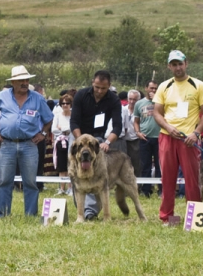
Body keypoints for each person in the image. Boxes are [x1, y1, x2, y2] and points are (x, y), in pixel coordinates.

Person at [153, 50, 203, 225]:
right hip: (167, 138)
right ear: (169, 66)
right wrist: (168, 127)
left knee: (192, 180)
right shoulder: (164, 86)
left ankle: (195, 219)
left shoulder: (198, 85)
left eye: (180, 64)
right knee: (168, 180)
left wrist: (196, 133)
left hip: (189, 140)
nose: (178, 67)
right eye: (174, 64)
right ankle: (167, 218)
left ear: (186, 64)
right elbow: (156, 112)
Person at [0, 66, 53, 217]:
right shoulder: (1, 96)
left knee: (30, 182)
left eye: (27, 80)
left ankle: (30, 214)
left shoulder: (38, 98)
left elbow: (49, 119)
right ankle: (3, 214)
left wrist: (43, 133)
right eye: (21, 80)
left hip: (29, 144)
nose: (25, 83)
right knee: (5, 181)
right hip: (7, 144)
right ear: (13, 82)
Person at [70, 70, 122, 220]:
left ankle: (90, 212)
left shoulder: (113, 100)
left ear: (109, 86)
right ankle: (82, 212)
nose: (99, 91)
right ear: (93, 82)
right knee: (76, 175)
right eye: (97, 87)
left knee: (96, 174)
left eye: (103, 88)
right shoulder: (81, 95)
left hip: (98, 140)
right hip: (78, 136)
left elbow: (117, 127)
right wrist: (81, 142)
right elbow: (73, 121)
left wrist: (107, 142)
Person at [133, 80, 162, 198]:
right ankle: (146, 190)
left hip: (159, 137)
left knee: (160, 166)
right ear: (146, 88)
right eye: (151, 88)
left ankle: (161, 190)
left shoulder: (161, 102)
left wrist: (156, 99)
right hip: (144, 138)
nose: (153, 90)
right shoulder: (139, 104)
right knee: (146, 165)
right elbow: (136, 121)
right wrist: (138, 132)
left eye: (156, 88)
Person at [51, 94, 72, 195]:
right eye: (63, 103)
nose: (65, 105)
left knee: (71, 165)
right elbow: (53, 130)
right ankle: (61, 188)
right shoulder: (57, 115)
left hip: (72, 142)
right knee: (61, 166)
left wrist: (62, 127)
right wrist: (64, 129)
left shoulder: (74, 115)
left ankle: (70, 188)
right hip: (60, 143)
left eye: (67, 103)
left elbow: (72, 129)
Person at [124, 90, 141, 178]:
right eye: (130, 99)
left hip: (135, 140)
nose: (132, 101)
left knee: (136, 163)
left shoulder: (141, 111)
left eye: (134, 99)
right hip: (123, 140)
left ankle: (138, 185)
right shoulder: (123, 109)